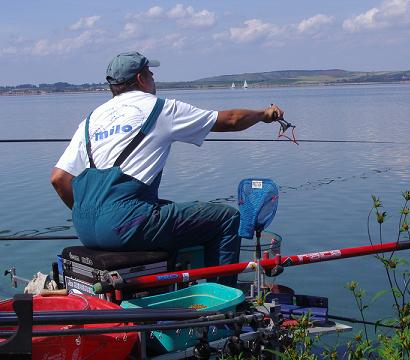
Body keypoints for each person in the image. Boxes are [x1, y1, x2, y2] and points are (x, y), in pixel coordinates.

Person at [50, 51, 284, 287]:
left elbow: (59, 178)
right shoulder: (159, 108)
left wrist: (98, 217)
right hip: (125, 224)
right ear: (141, 78)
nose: (154, 78)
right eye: (151, 73)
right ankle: (224, 302)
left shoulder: (91, 119)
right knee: (226, 218)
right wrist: (264, 115)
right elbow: (231, 119)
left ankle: (169, 286)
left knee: (171, 209)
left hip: (85, 226)